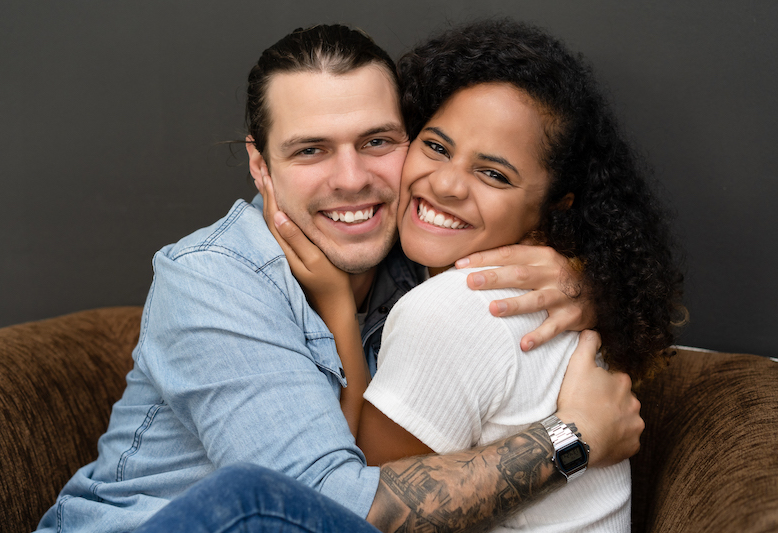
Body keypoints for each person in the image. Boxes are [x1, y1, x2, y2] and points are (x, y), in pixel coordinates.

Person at [36, 24, 642, 533]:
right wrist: (574, 437)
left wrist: (581, 275)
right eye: (310, 151)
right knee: (251, 498)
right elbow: (331, 509)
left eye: (377, 141)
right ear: (259, 165)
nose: (351, 179)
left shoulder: (428, 256)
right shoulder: (212, 279)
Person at [262, 20, 684, 531]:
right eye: (436, 146)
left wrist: (339, 318)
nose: (445, 184)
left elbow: (350, 517)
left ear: (555, 206)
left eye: (493, 174)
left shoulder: (454, 310)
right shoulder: (536, 289)